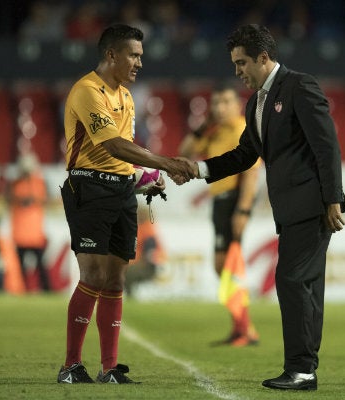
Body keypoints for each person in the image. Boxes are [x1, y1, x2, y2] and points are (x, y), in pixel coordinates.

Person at [175, 24, 345, 391]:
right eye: (234, 64)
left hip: (312, 206)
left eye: (241, 63)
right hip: (288, 210)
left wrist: (332, 197)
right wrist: (199, 169)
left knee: (291, 280)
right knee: (305, 287)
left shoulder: (299, 86)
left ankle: (301, 369)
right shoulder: (256, 102)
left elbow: (327, 144)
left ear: (263, 58)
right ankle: (304, 368)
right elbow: (244, 155)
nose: (237, 71)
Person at [57, 23, 194, 385]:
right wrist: (166, 162)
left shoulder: (127, 97)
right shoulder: (87, 91)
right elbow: (113, 145)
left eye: (141, 56)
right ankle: (71, 366)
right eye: (133, 55)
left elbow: (125, 155)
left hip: (120, 192)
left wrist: (146, 176)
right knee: (94, 275)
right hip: (89, 189)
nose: (139, 63)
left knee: (116, 279)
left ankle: (109, 369)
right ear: (111, 54)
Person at [179, 85, 261, 347]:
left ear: (237, 104)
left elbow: (251, 172)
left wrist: (243, 210)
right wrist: (205, 126)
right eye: (215, 103)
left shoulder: (241, 129)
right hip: (220, 200)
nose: (219, 108)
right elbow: (185, 153)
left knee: (229, 265)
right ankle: (242, 328)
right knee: (224, 265)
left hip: (234, 200)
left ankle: (245, 330)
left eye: (225, 102)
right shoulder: (214, 131)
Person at [6, 152, 49, 291]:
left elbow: (42, 199)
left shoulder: (38, 182)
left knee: (41, 266)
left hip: (34, 233)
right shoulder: (15, 184)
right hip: (21, 233)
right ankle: (23, 289)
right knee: (22, 267)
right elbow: (10, 199)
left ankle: (47, 289)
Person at [123, 204, 166, 296]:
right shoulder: (139, 228)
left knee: (127, 272)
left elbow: (150, 252)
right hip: (135, 264)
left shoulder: (147, 230)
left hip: (146, 266)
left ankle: (130, 296)